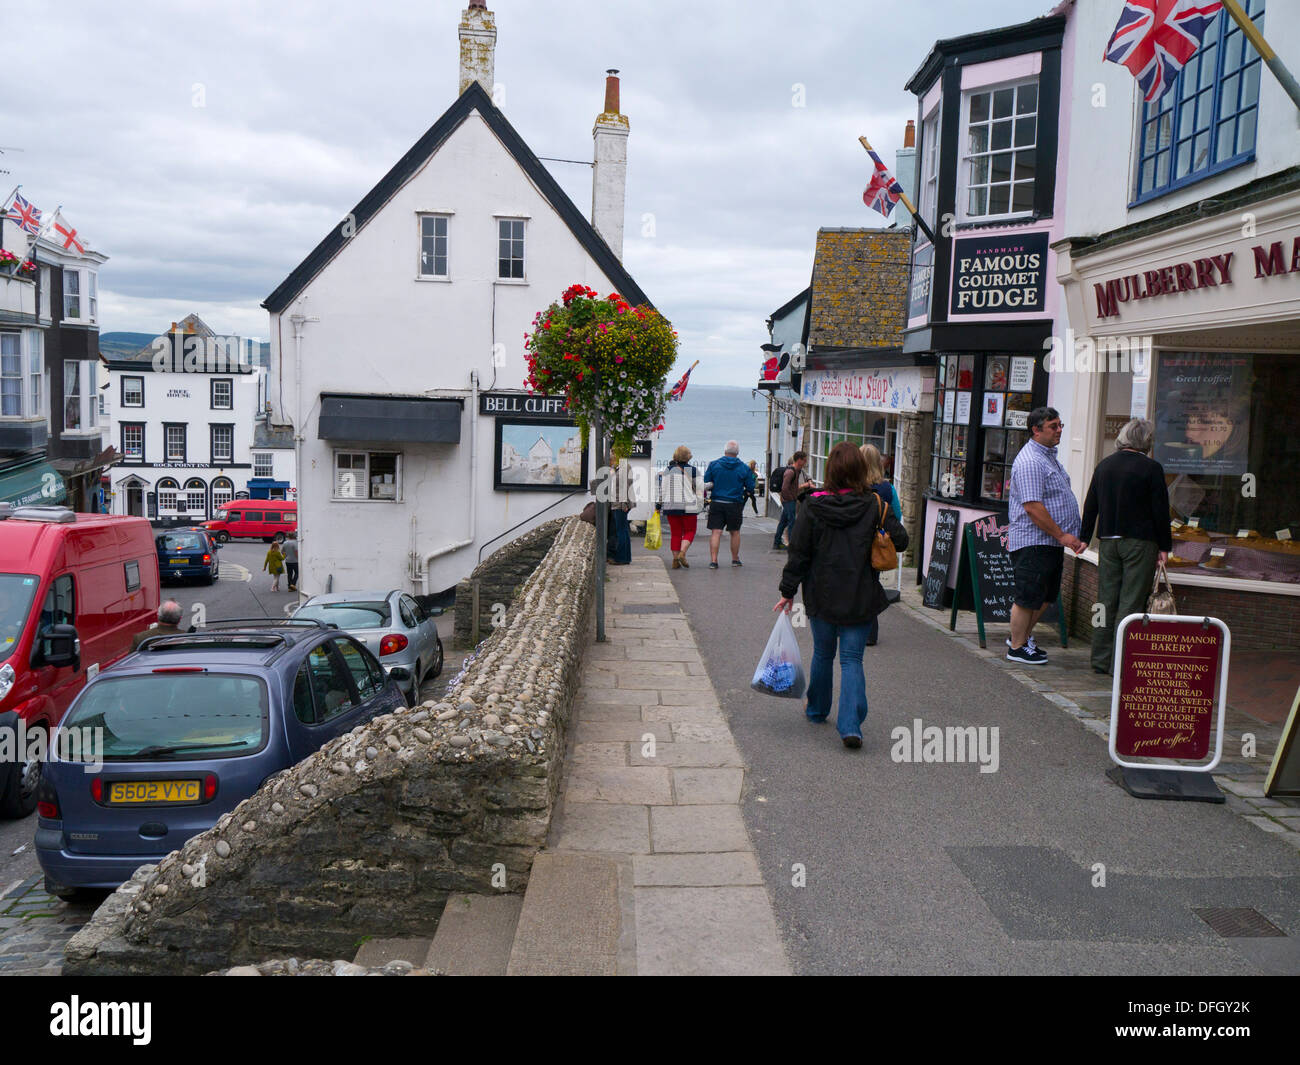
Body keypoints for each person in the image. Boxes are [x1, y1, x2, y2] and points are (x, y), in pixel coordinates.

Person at [775, 443, 907, 748]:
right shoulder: (874, 505)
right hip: (859, 594)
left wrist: (787, 591)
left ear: (830, 470)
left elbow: (799, 553)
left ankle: (818, 709)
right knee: (851, 659)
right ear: (860, 470)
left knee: (823, 654)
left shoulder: (812, 505)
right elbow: (901, 540)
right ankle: (850, 726)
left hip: (821, 593)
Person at [1080, 418, 1172, 675]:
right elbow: (1160, 511)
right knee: (1130, 602)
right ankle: (1119, 662)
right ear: (1146, 441)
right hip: (1140, 543)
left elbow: (1091, 506)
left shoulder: (1104, 466)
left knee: (1105, 601)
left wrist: (1084, 538)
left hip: (1108, 542)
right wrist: (1165, 546)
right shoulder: (1151, 469)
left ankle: (1100, 659)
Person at [1006, 407, 1085, 665]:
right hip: (1034, 541)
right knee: (1028, 596)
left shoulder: (1048, 456)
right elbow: (1032, 507)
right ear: (1036, 430)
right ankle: (1016, 646)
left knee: (1044, 596)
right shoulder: (1030, 461)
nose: (1060, 430)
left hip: (1047, 541)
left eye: (1060, 425)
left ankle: (1024, 638)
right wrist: (1062, 535)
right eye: (1053, 426)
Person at [860, 443, 902, 647]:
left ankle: (849, 627)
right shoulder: (887, 488)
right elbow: (897, 515)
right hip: (877, 544)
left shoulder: (853, 486)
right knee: (872, 585)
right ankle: (870, 633)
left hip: (854, 543)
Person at [703, 441, 756, 569]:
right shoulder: (744, 468)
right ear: (737, 452)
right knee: (735, 532)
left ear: (725, 451)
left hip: (717, 501)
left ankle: (714, 561)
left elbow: (706, 482)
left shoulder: (714, 465)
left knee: (716, 532)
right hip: (734, 503)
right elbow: (750, 486)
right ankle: (735, 559)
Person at [658, 445, 704, 569]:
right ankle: (682, 553)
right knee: (690, 531)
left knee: (675, 533)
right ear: (688, 457)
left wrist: (660, 503)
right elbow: (700, 489)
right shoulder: (694, 470)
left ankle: (675, 559)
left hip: (670, 506)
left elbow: (662, 489)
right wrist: (700, 504)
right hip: (688, 506)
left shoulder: (667, 470)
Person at [772, 451, 809, 550]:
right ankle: (793, 546)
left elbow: (792, 487)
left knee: (783, 522)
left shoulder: (796, 471)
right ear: (799, 460)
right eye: (804, 460)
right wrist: (789, 499)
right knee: (792, 522)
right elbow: (784, 488)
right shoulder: (791, 472)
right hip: (789, 501)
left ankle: (777, 542)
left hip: (790, 500)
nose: (805, 462)